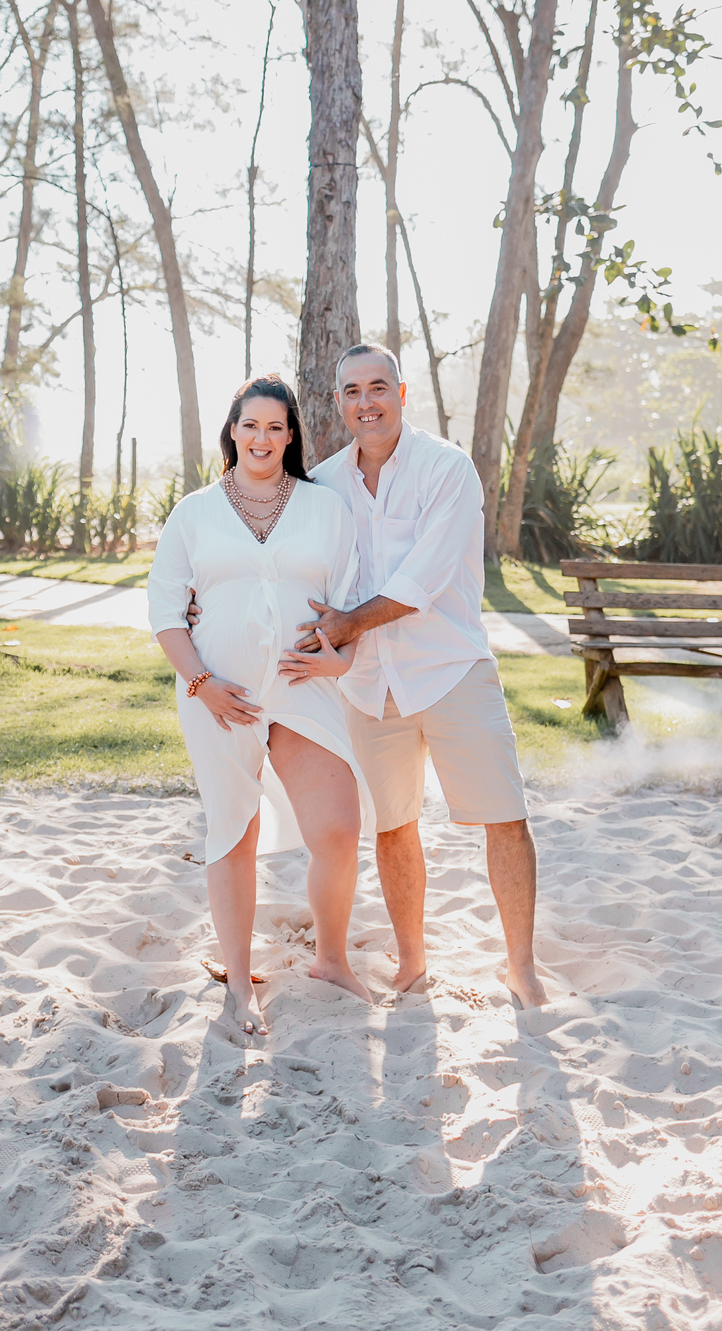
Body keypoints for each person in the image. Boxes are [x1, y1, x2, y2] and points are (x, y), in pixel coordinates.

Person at [277, 344, 547, 1009]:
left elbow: (423, 579)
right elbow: (286, 562)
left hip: (451, 668)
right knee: (393, 826)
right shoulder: (324, 484)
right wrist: (202, 602)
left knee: (505, 817)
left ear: (401, 393)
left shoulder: (446, 468)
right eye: (351, 391)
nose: (365, 402)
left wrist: (347, 624)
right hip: (368, 684)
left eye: (378, 387)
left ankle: (521, 968)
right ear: (338, 402)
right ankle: (412, 961)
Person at [148, 374, 374, 1039]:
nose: (262, 438)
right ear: (232, 431)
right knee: (233, 832)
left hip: (304, 687)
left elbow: (349, 602)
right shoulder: (194, 513)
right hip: (220, 696)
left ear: (291, 435)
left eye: (276, 427)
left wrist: (340, 660)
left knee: (338, 829)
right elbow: (166, 612)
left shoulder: (324, 509)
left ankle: (331, 959)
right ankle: (241, 985)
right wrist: (201, 683)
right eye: (251, 425)